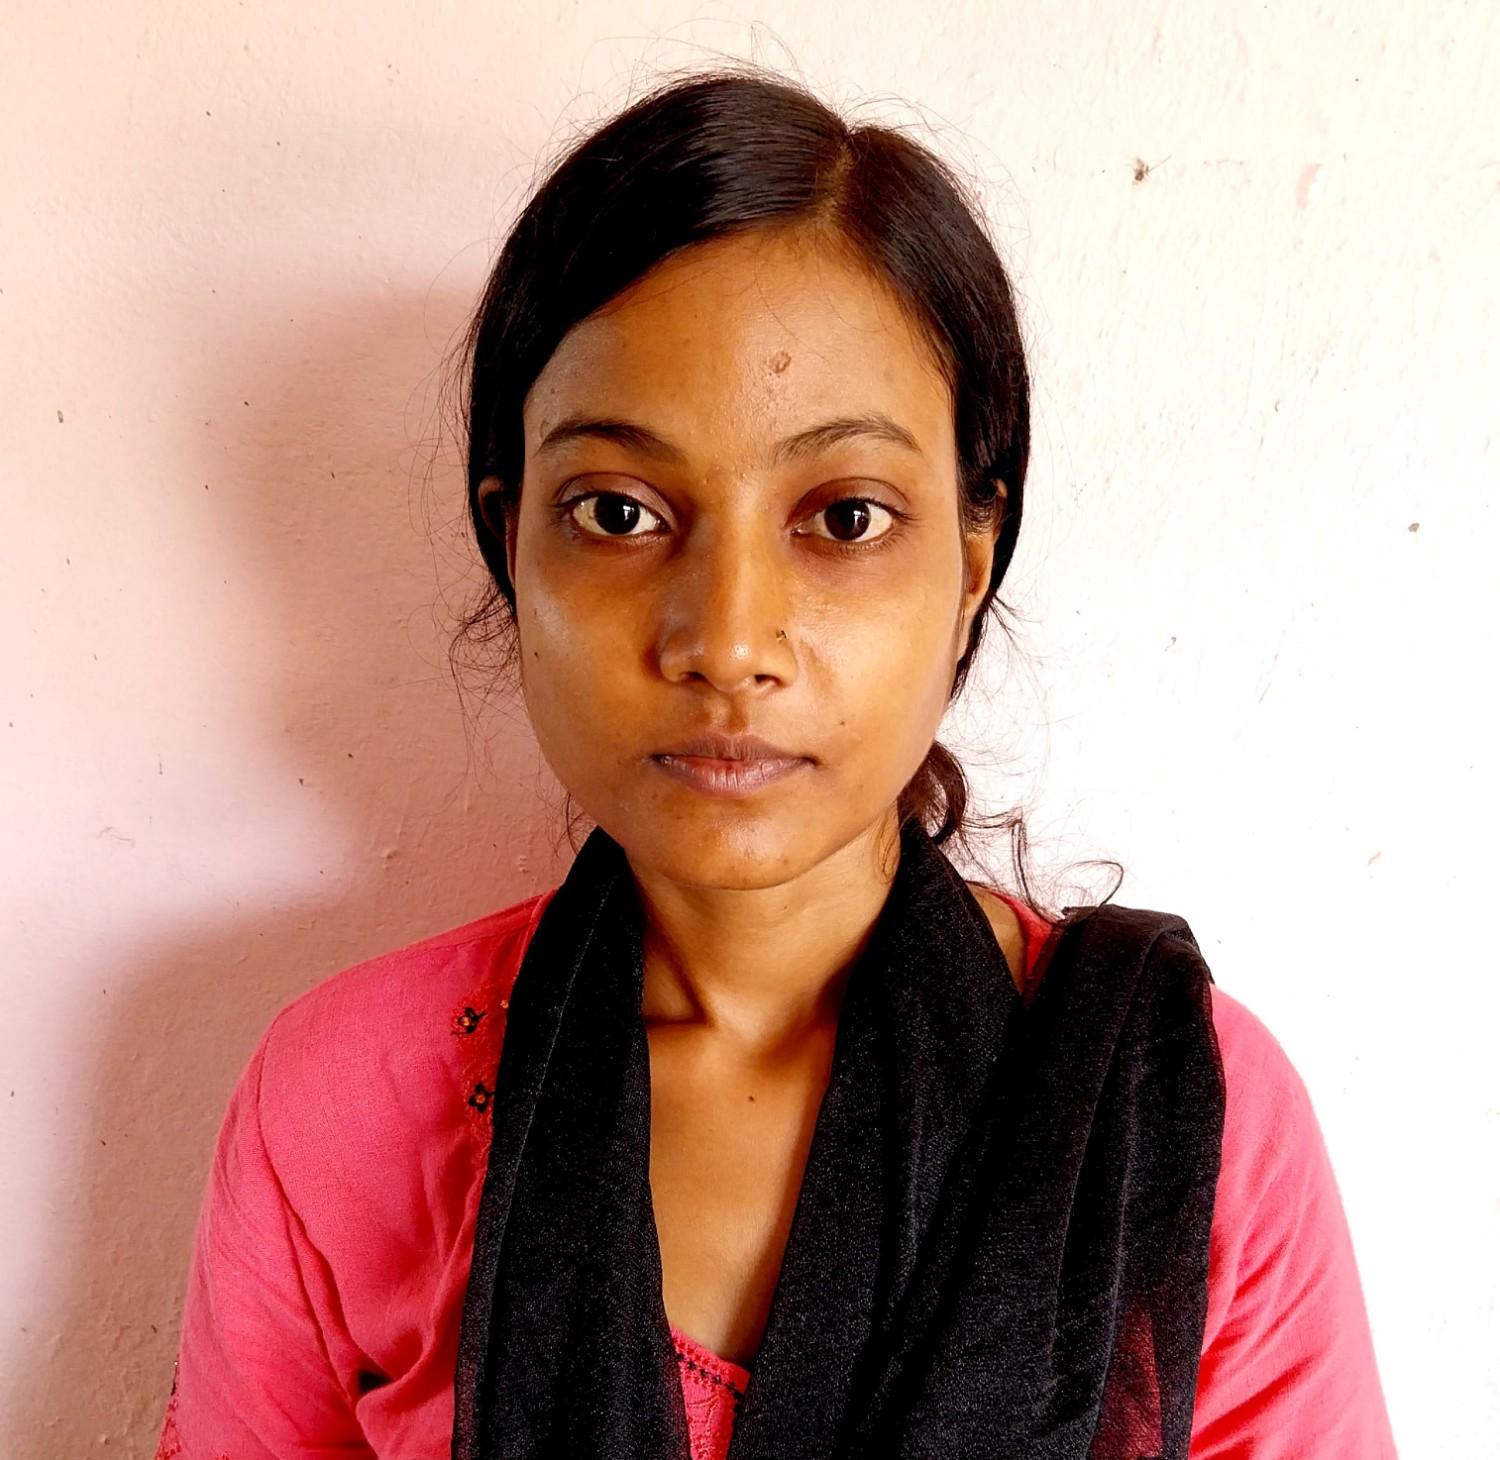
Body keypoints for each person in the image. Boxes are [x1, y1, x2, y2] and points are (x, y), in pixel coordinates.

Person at [154, 67, 1397, 1459]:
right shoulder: (344, 1104)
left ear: (970, 564)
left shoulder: (1178, 1119)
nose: (728, 640)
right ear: (514, 546)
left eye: (844, 517)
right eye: (618, 512)